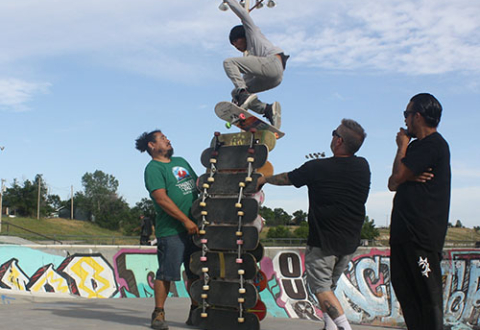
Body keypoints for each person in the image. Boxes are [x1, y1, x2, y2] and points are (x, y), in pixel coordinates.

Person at [257, 119, 370, 330]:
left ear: (338, 141)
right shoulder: (363, 167)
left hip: (323, 243)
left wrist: (265, 179)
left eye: (334, 133)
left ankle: (345, 327)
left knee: (321, 289)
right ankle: (330, 326)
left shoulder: (318, 168)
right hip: (349, 243)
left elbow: (287, 178)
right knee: (329, 288)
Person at [388, 93, 451, 330]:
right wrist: (404, 160)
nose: (404, 121)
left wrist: (402, 147)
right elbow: (393, 182)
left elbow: (398, 177)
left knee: (428, 298)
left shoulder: (435, 145)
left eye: (407, 114)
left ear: (417, 116)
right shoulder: (414, 147)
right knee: (406, 294)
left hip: (422, 237)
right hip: (402, 234)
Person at [135, 130, 199, 330]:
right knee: (166, 274)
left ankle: (196, 311)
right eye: (163, 138)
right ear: (152, 146)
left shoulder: (181, 161)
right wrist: (185, 221)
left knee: (196, 273)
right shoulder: (153, 169)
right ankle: (158, 313)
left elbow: (198, 186)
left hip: (196, 227)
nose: (168, 140)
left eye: (167, 137)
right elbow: (161, 199)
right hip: (172, 231)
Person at [222, 0, 289, 129]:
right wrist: (236, 102)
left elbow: (243, 14)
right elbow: (244, 81)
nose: (236, 46)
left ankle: (242, 94)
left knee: (229, 62)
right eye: (233, 44)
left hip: (272, 63)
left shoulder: (252, 34)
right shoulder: (252, 57)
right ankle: (267, 110)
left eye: (236, 41)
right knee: (237, 91)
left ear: (244, 36)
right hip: (273, 79)